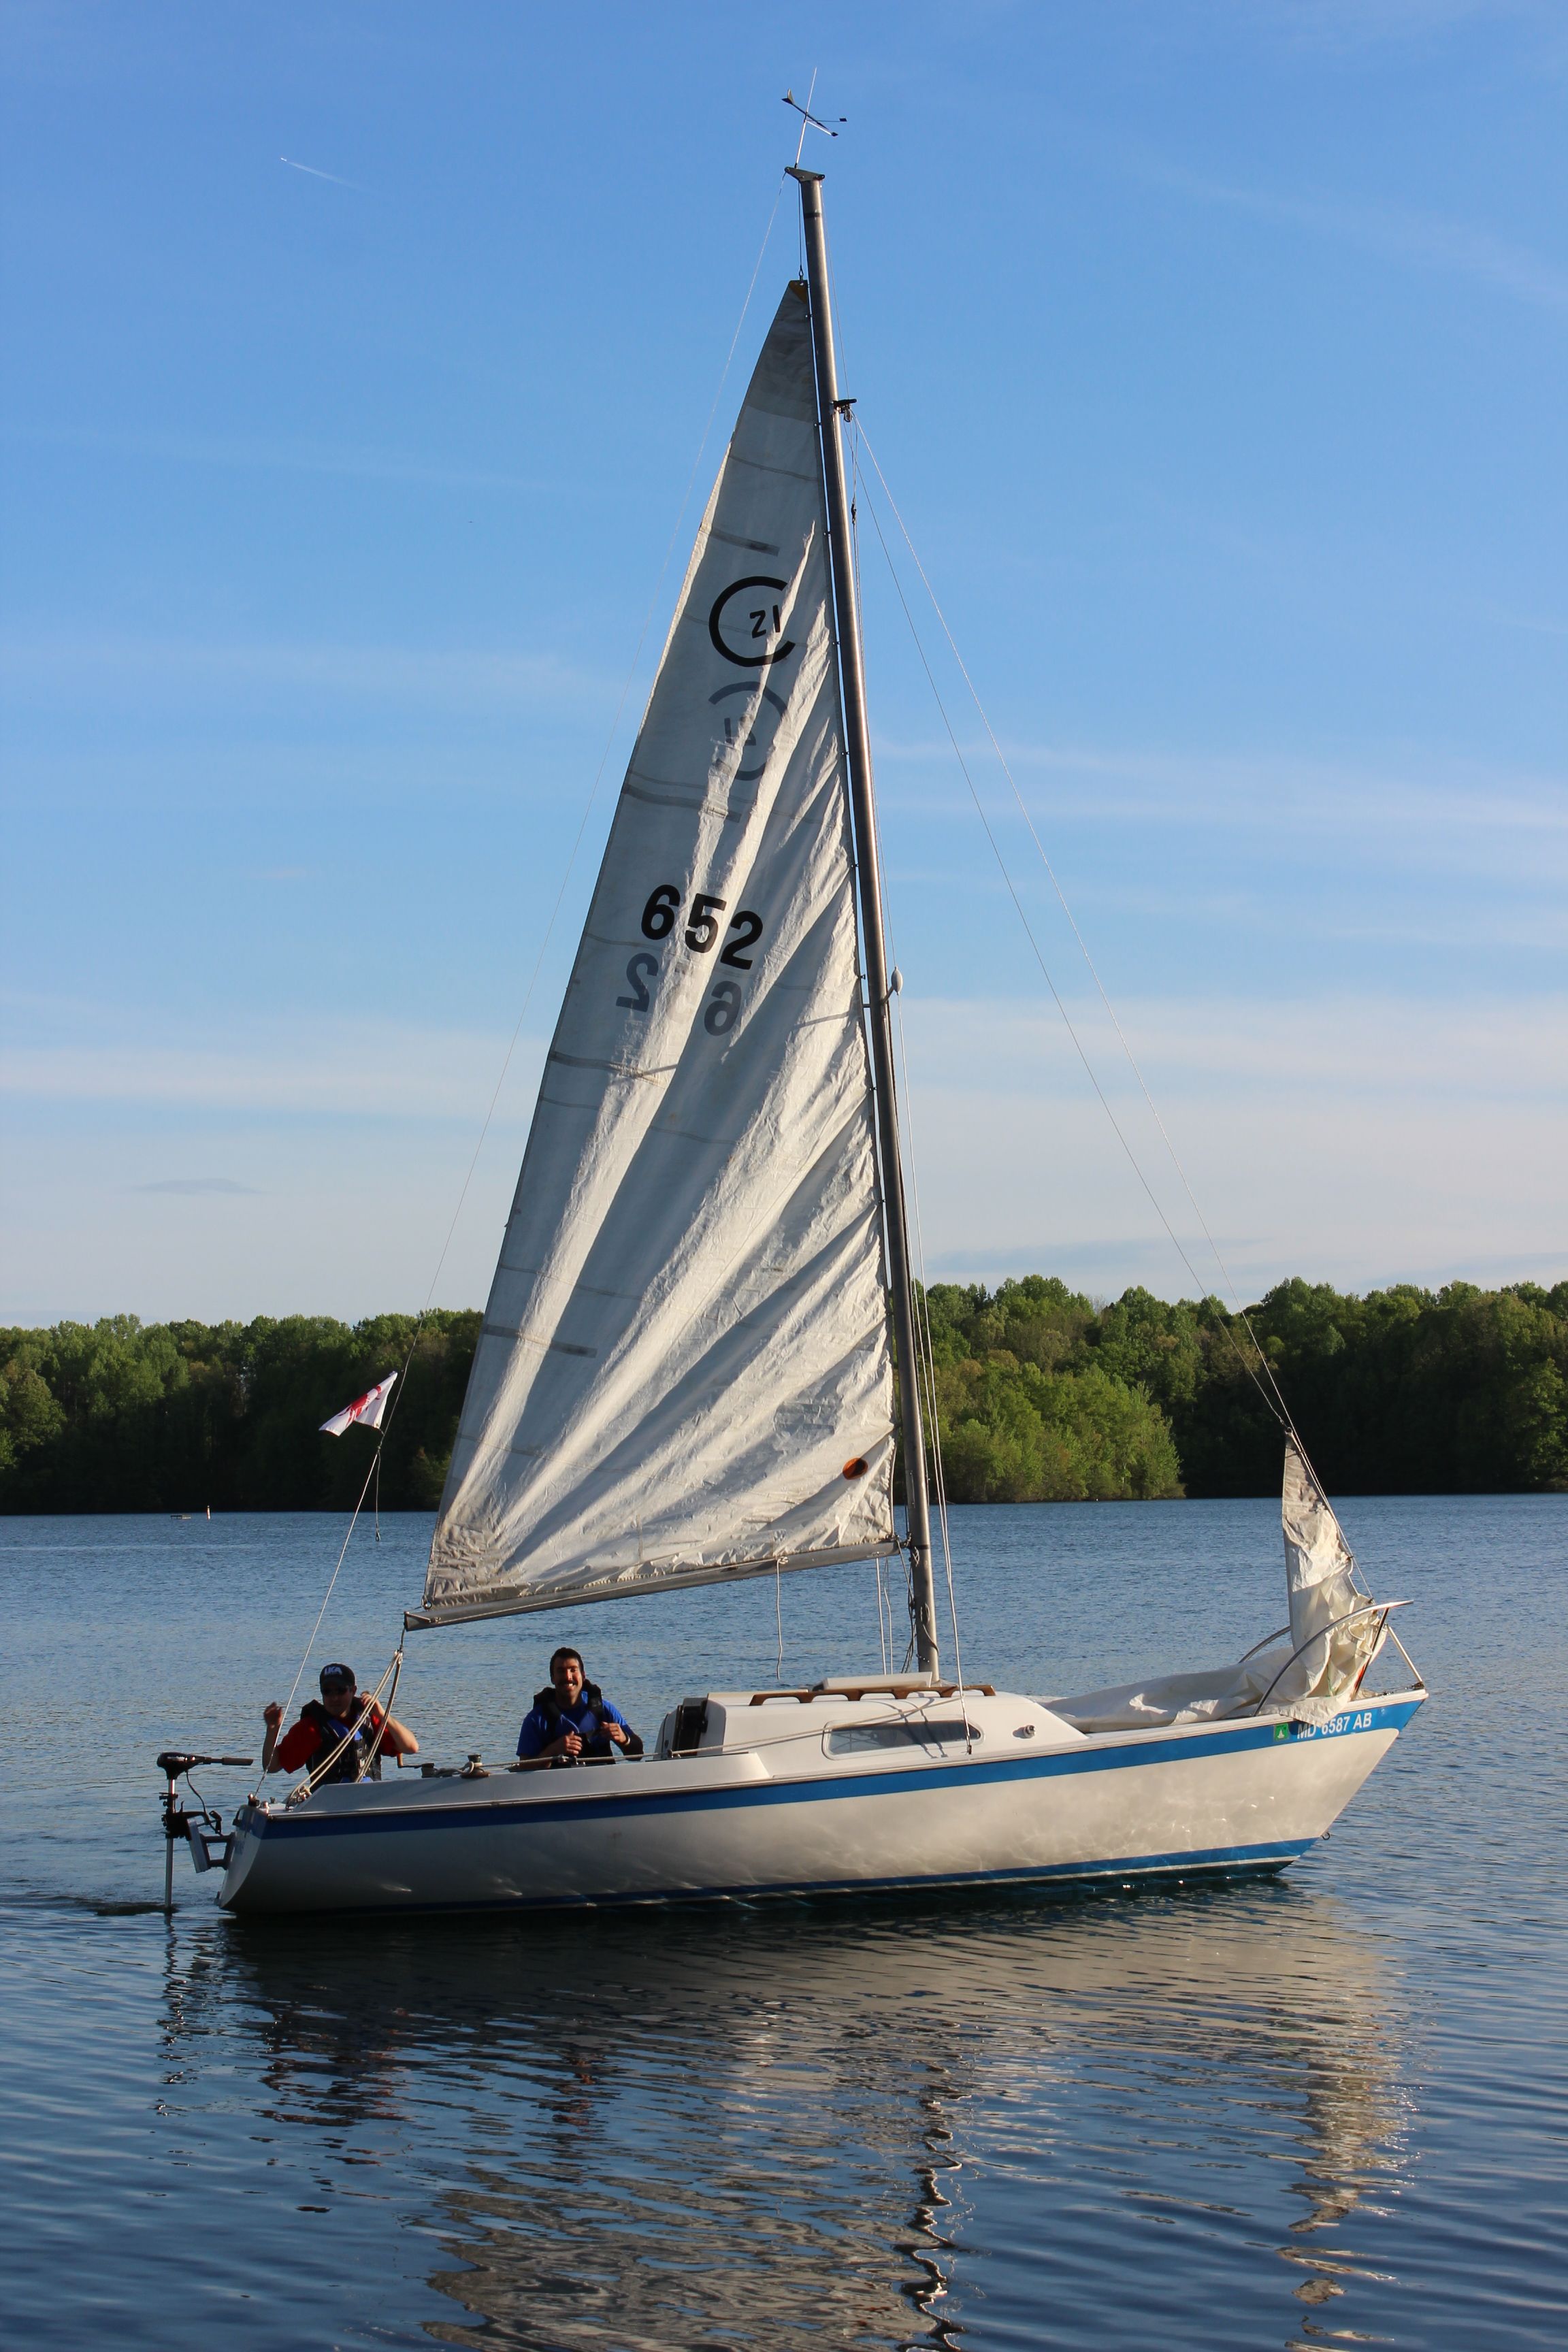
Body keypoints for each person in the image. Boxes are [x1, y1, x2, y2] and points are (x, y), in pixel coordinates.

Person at [262, 1663, 418, 1783]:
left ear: (353, 1690)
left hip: (370, 1802)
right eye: (327, 1692)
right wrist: (272, 1730)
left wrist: (382, 1714)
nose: (334, 1698)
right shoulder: (311, 1727)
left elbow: (411, 1747)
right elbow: (272, 1766)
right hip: (329, 1807)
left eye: (340, 1691)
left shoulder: (370, 1721)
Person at [512, 1646, 642, 1770]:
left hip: (603, 1785)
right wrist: (554, 1751)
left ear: (583, 1676)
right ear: (552, 1678)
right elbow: (524, 1768)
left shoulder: (604, 1710)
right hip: (556, 1788)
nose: (568, 1677)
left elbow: (638, 1754)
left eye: (573, 1670)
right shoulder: (537, 1719)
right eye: (561, 1671)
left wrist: (624, 1739)